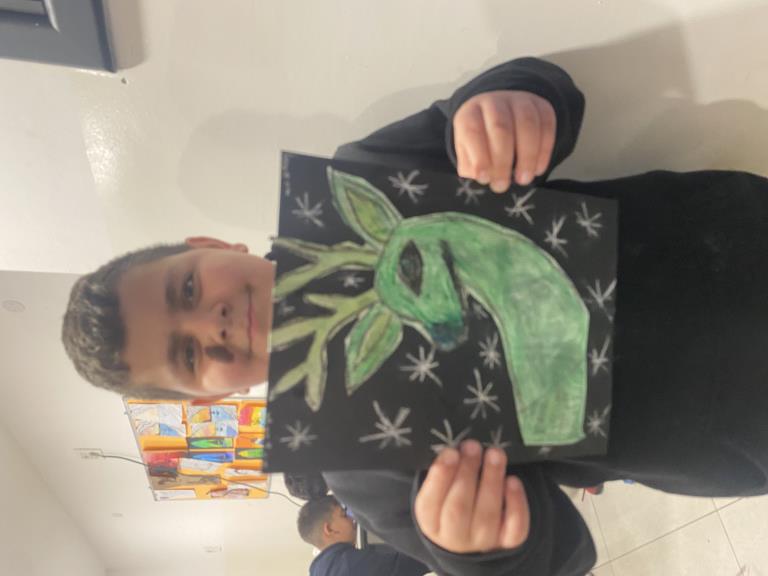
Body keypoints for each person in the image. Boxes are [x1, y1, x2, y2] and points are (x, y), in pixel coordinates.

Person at [61, 57, 768, 575]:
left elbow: (545, 94)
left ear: (211, 247)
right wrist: (480, 554)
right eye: (188, 356)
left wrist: (507, 105)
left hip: (731, 239)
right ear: (211, 398)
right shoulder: (364, 474)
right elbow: (567, 556)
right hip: (738, 429)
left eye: (185, 289)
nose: (210, 326)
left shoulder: (360, 179)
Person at [297, 495, 429, 576]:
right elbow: (413, 563)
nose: (352, 519)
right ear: (329, 529)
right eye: (344, 515)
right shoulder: (349, 565)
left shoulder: (317, 571)